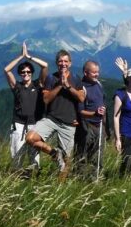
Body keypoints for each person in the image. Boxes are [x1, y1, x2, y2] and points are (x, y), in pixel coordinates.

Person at [20, 50, 85, 179]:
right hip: (51, 119)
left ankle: (60, 189)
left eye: (66, 61)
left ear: (70, 63)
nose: (63, 64)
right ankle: (54, 153)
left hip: (69, 122)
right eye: (60, 61)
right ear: (57, 63)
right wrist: (60, 85)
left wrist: (68, 86)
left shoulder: (76, 78)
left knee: (66, 160)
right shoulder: (51, 78)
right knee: (30, 138)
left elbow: (81, 98)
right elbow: (46, 99)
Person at [4, 42, 47, 172]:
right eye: (23, 72)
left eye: (28, 71)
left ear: (32, 73)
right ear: (20, 74)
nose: (26, 74)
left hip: (34, 124)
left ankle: (34, 176)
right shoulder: (16, 87)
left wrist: (28, 57)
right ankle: (17, 176)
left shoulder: (38, 84)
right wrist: (20, 57)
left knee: (34, 156)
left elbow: (45, 66)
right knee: (17, 155)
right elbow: (7, 70)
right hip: (18, 125)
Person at [72, 60, 105, 180]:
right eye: (94, 73)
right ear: (86, 73)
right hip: (86, 125)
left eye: (98, 72)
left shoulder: (99, 85)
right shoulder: (81, 88)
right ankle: (79, 178)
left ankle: (95, 179)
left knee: (98, 155)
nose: (97, 75)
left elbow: (102, 103)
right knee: (82, 154)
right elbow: (80, 111)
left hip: (99, 125)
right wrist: (94, 113)